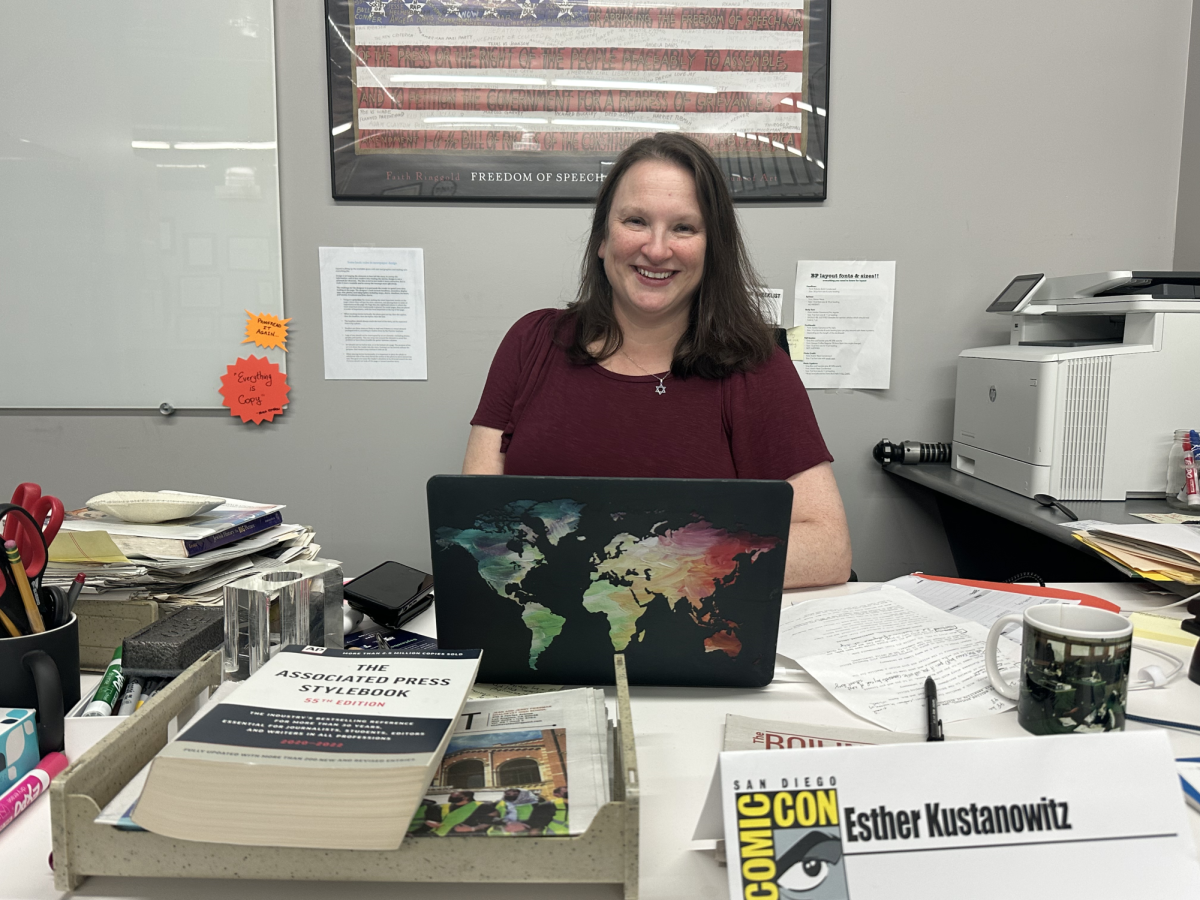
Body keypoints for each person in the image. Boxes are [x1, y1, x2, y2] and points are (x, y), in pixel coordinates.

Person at [463, 133, 851, 588]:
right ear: (603, 239)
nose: (657, 249)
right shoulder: (531, 342)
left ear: (712, 248)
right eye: (636, 221)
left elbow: (829, 549)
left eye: (684, 228)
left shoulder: (756, 368)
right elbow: (474, 526)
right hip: (540, 630)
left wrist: (647, 567)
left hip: (691, 640)